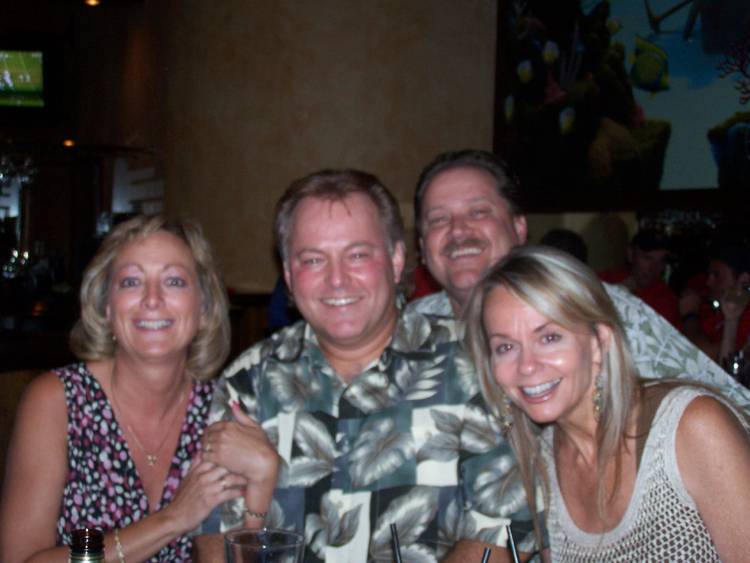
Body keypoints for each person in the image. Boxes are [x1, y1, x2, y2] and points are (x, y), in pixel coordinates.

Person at [407, 149, 750, 558]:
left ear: (519, 227)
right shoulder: (408, 338)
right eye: (438, 219)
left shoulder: (620, 317)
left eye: (478, 211)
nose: (458, 231)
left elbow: (733, 415)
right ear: (421, 246)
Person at [195, 169, 531, 563]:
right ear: (287, 273)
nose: (336, 279)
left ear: (396, 259)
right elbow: (214, 535)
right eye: (313, 259)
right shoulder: (247, 383)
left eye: (357, 255)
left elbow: (502, 532)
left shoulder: (477, 365)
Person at [0, 215, 270, 563]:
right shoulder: (57, 401)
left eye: (174, 281)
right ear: (106, 308)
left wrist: (263, 480)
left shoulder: (224, 409)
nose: (152, 299)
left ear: (204, 308)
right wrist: (172, 519)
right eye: (131, 282)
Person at [465, 245, 750, 562]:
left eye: (549, 337)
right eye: (505, 347)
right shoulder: (540, 465)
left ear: (599, 342)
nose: (527, 366)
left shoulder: (688, 428)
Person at [680, 244, 750, 365]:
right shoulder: (708, 306)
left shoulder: (745, 314)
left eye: (717, 276)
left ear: (744, 280)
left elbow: (707, 358)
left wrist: (690, 316)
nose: (709, 282)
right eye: (709, 275)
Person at [598, 229, 679, 328]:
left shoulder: (666, 298)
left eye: (661, 261)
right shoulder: (606, 279)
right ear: (631, 254)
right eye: (648, 258)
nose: (654, 268)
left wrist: (620, 295)